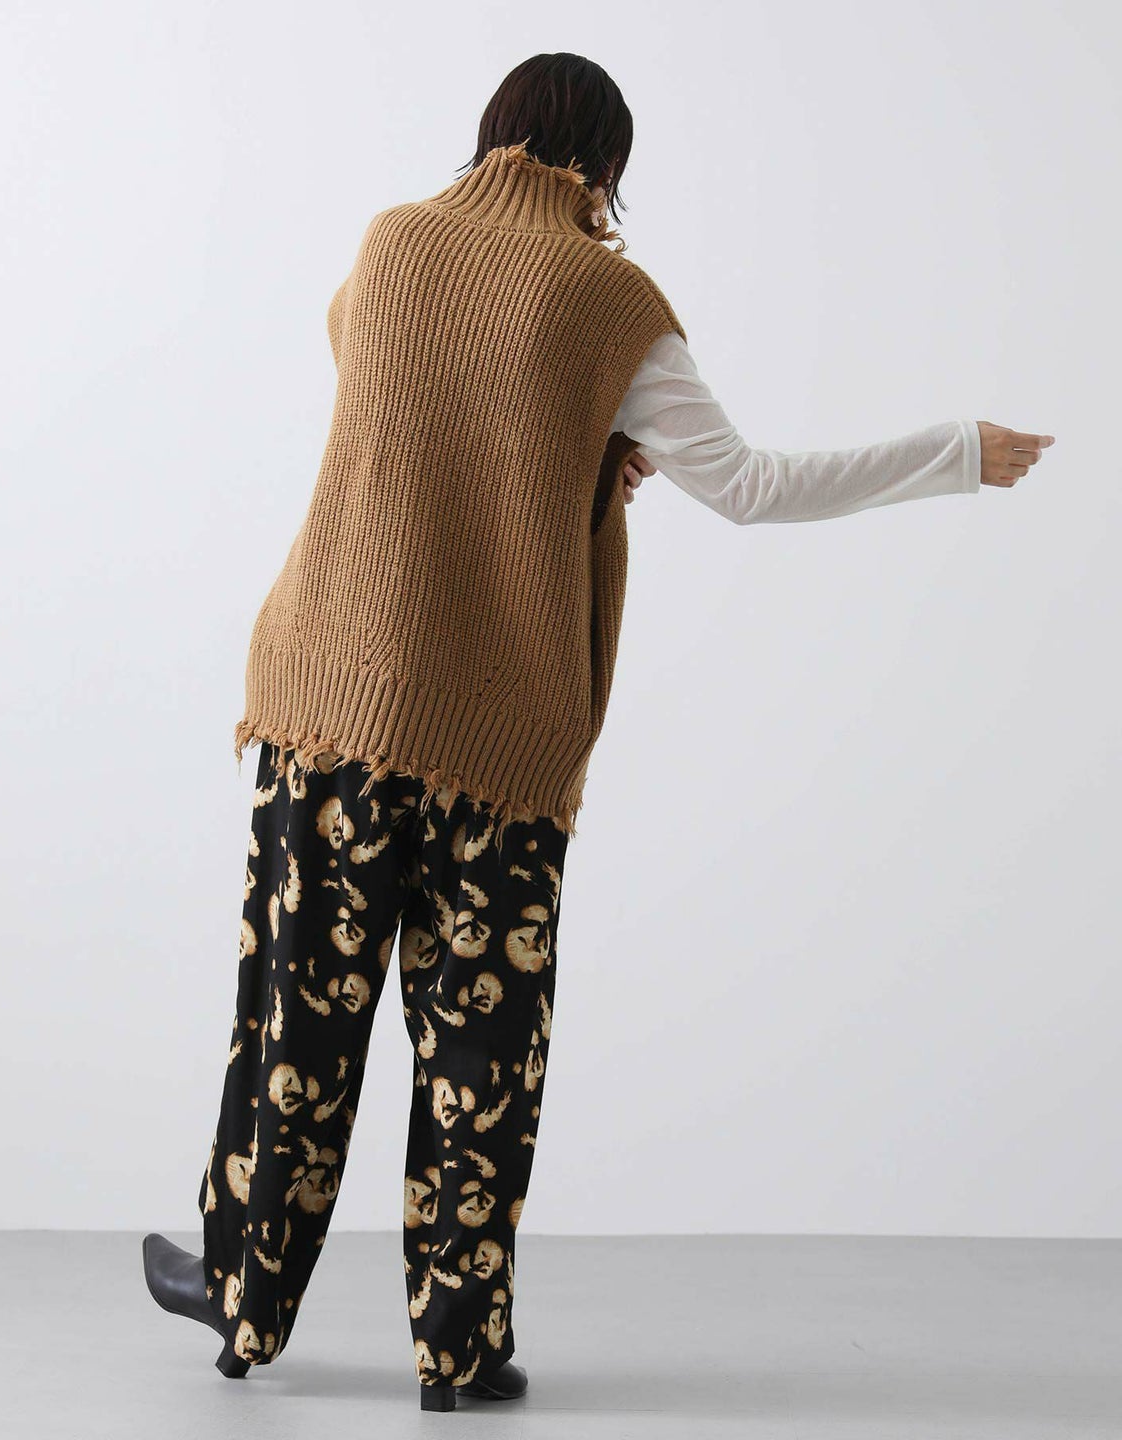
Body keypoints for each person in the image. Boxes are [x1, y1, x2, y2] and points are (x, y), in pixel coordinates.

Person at [141, 51, 1055, 1416]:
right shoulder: (613, 304)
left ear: (492, 134)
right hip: (502, 752)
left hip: (330, 709)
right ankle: (459, 1352)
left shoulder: (391, 248)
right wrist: (954, 452)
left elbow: (371, 369)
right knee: (482, 1059)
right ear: (606, 171)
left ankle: (242, 1308)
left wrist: (561, 444)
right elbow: (748, 486)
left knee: (295, 1022)